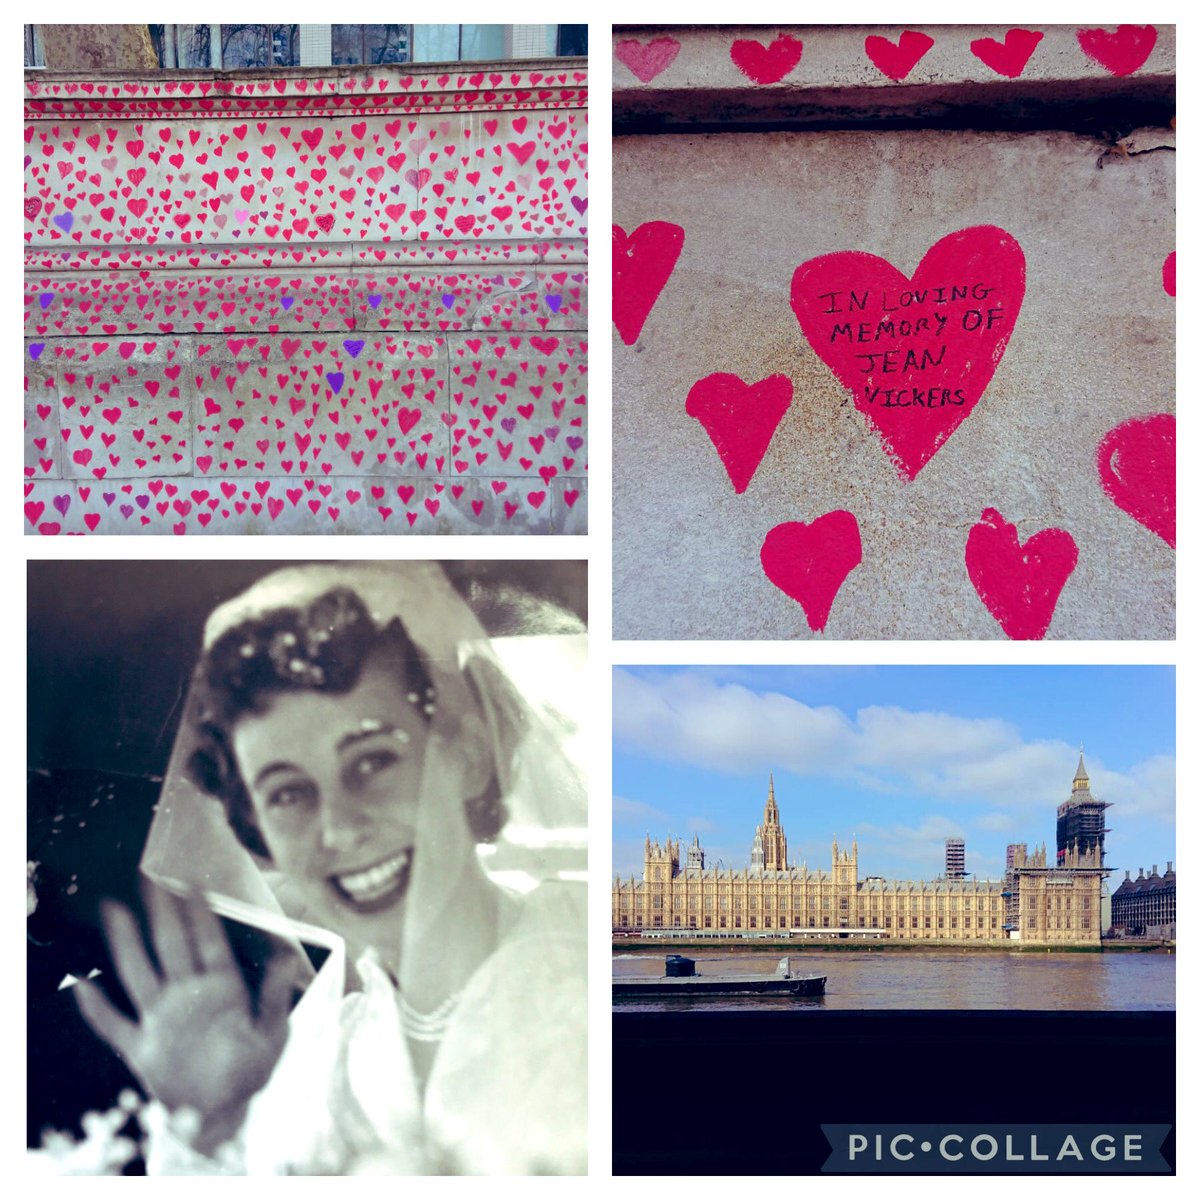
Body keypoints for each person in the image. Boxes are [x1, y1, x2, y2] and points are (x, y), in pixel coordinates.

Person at [75, 563, 587, 1175]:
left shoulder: (593, 975)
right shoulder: (319, 1045)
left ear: (468, 756)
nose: (341, 829)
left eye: (372, 761)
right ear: (256, 826)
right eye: (288, 793)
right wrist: (218, 1130)